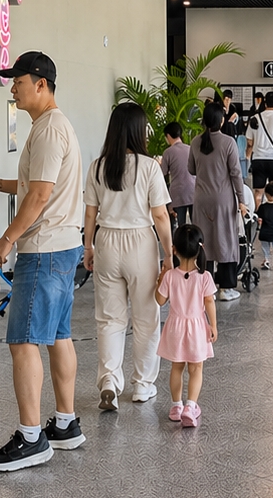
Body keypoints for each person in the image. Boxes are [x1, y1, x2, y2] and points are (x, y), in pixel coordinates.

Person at [0, 52, 86, 472]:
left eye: (18, 81)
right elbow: (37, 187)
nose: (13, 88)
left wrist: (7, 238)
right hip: (64, 246)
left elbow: (40, 197)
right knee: (58, 335)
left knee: (23, 340)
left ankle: (30, 437)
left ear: (41, 83)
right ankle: (65, 423)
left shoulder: (48, 130)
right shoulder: (54, 126)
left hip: (43, 250)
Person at [83, 102, 173, 411]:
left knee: (110, 318)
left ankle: (109, 380)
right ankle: (142, 385)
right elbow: (160, 215)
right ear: (138, 130)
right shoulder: (149, 167)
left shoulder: (97, 166)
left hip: (107, 241)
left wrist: (88, 246)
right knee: (146, 317)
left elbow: (90, 213)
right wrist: (169, 254)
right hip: (140, 242)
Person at [155, 224, 218, 427]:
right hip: (197, 329)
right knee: (196, 368)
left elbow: (160, 300)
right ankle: (190, 407)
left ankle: (176, 406)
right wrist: (213, 325)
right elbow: (209, 302)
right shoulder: (204, 277)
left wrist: (160, 278)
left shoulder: (170, 276)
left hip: (175, 327)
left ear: (174, 249)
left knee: (177, 367)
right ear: (201, 248)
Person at [189, 102, 249, 302]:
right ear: (222, 121)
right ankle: (226, 287)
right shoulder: (228, 142)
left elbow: (191, 169)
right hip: (222, 199)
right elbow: (236, 174)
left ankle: (206, 287)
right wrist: (242, 200)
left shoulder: (195, 142)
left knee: (203, 241)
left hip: (201, 199)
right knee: (225, 239)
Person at [158, 122, 194, 229]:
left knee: (181, 226)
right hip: (194, 191)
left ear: (168, 136)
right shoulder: (190, 149)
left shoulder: (168, 152)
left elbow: (163, 173)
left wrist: (158, 164)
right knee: (196, 224)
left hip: (178, 194)